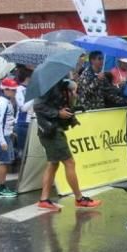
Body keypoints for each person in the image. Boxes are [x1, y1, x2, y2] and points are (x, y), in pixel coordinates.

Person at [34, 78, 101, 211]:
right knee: (69, 162)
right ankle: (79, 199)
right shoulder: (49, 85)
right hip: (51, 131)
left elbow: (56, 105)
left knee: (53, 163)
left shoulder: (59, 84)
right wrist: (58, 113)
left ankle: (44, 200)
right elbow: (38, 106)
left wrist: (73, 106)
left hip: (52, 129)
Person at [13, 67, 32, 160]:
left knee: (30, 152)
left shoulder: (33, 88)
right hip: (23, 124)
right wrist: (35, 97)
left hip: (33, 122)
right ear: (28, 77)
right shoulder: (19, 89)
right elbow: (23, 108)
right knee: (23, 152)